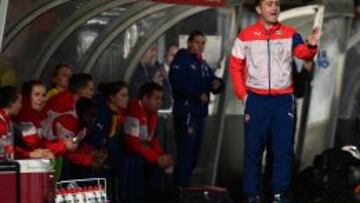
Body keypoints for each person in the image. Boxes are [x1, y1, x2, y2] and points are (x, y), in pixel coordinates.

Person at [228, 0, 320, 202]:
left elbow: (303, 53)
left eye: (277, 4)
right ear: (259, 9)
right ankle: (252, 196)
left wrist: (311, 45)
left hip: (282, 102)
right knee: (253, 152)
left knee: (283, 152)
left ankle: (279, 195)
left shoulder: (291, 33)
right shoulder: (245, 36)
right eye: (269, 4)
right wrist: (243, 95)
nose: (274, 7)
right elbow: (234, 66)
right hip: (256, 101)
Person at [169, 30, 224, 188]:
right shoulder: (182, 60)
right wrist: (197, 93)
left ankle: (184, 188)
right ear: (189, 43)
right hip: (187, 114)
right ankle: (179, 191)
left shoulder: (202, 64)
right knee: (185, 154)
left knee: (194, 155)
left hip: (199, 114)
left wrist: (218, 84)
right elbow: (176, 81)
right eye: (197, 42)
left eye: (203, 43)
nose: (200, 46)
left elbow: (212, 81)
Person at [121, 82, 173, 203]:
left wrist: (161, 156)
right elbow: (132, 143)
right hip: (127, 157)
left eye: (161, 98)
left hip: (140, 154)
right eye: (156, 98)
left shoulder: (153, 113)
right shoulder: (133, 110)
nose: (160, 101)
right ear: (144, 98)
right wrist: (157, 159)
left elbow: (152, 138)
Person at [88, 81, 128, 202]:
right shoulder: (102, 112)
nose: (127, 99)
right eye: (123, 95)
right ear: (111, 97)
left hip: (109, 159)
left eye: (127, 95)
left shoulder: (116, 113)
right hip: (97, 161)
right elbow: (96, 139)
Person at [0, 86, 22, 160]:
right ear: (11, 103)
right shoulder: (1, 123)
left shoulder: (9, 121)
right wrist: (30, 154)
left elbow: (9, 150)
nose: (21, 105)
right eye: (19, 102)